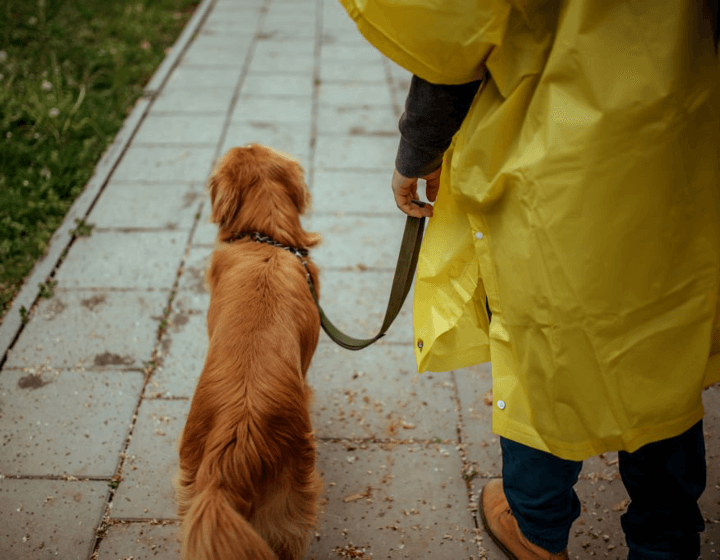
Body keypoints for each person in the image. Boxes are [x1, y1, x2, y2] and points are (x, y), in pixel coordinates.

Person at [337, 0, 720, 558]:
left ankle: (537, 530)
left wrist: (418, 149)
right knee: (661, 347)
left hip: (551, 150)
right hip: (674, 137)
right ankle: (667, 540)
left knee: (539, 340)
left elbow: (458, 29)